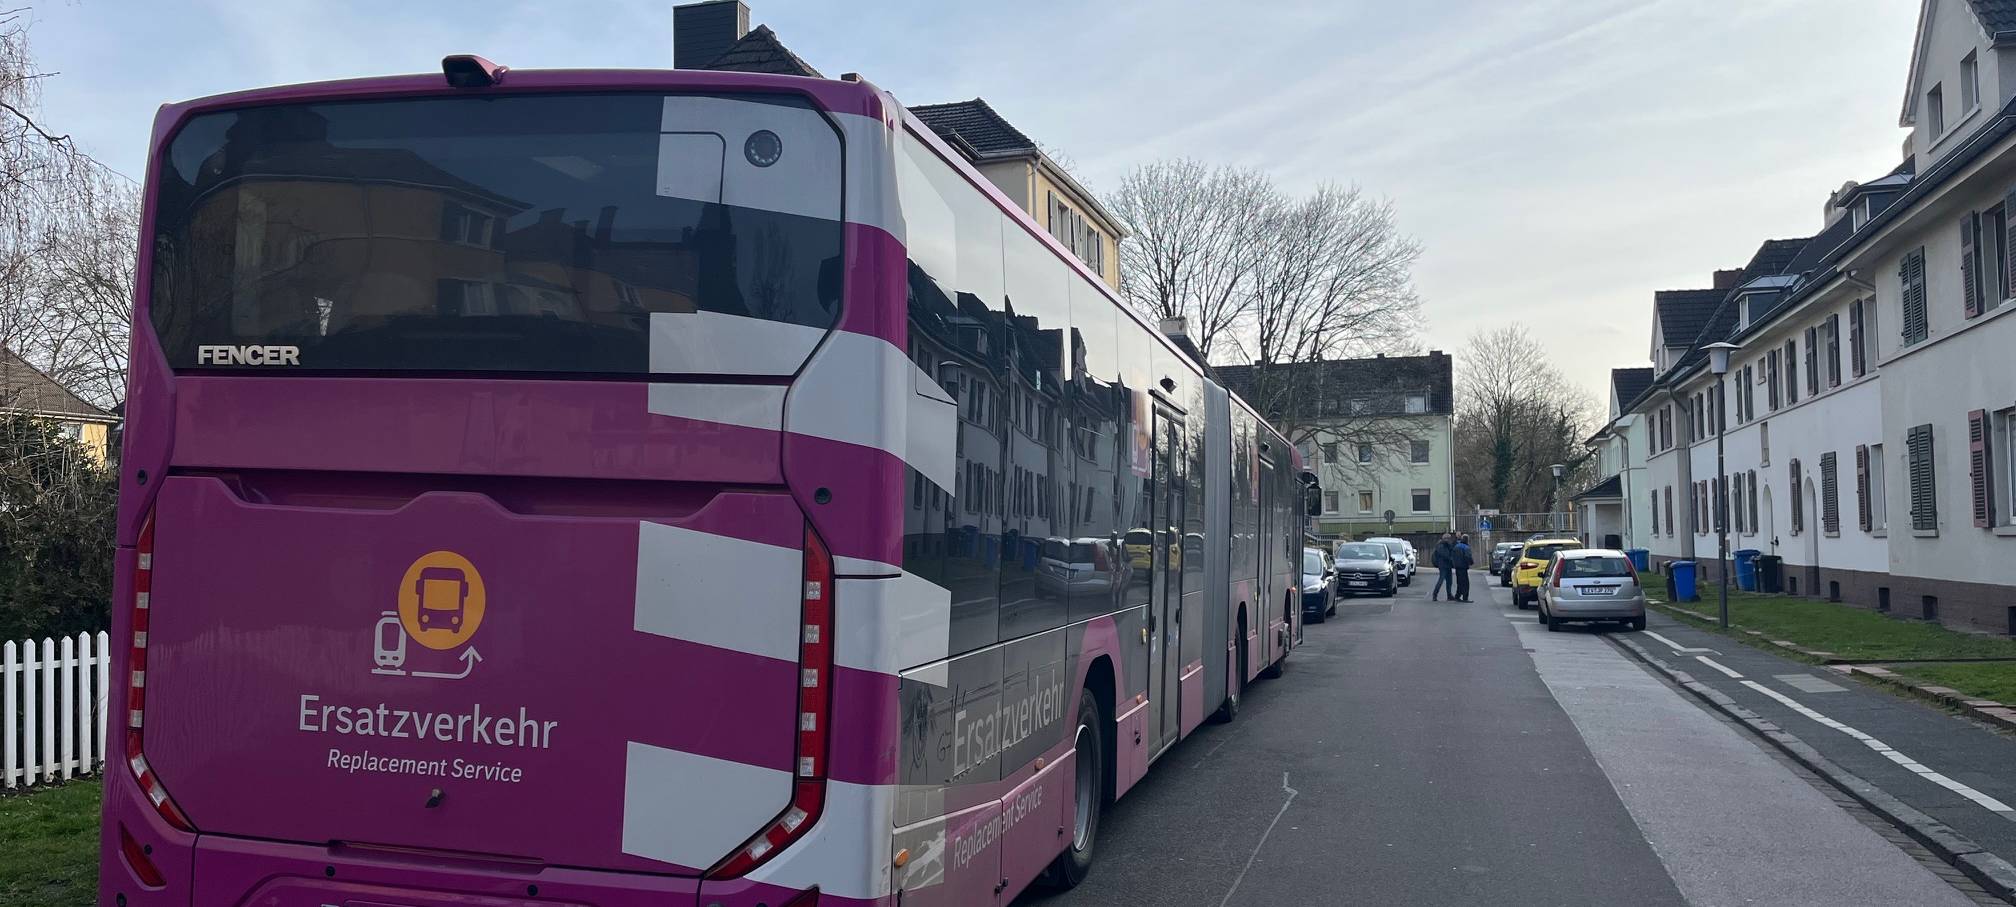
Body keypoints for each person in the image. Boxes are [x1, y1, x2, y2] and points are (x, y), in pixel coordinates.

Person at [1430, 532, 1457, 601]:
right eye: (1449, 538)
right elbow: (1445, 555)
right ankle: (1435, 594)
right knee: (1441, 580)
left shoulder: (1447, 545)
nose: (1450, 540)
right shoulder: (1441, 545)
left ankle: (1449, 595)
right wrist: (1451, 559)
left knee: (1449, 581)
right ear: (1446, 539)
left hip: (1447, 565)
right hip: (1443, 565)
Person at [1454, 533, 1474, 601]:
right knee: (1465, 583)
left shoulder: (1456, 546)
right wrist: (1471, 562)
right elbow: (1468, 557)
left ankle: (1457, 596)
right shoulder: (1466, 547)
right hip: (1463, 567)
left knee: (1459, 582)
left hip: (1457, 566)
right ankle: (1465, 597)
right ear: (1467, 540)